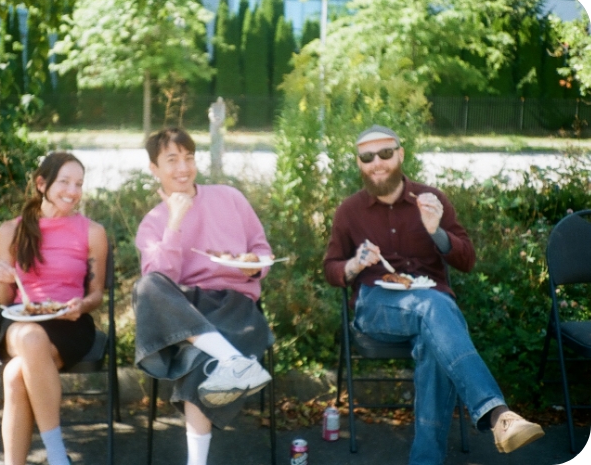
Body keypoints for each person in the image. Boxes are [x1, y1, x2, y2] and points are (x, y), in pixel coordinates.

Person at [323, 125, 544, 464]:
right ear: (359, 163)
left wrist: (435, 231)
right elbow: (331, 269)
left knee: (434, 335)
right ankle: (498, 414)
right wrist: (353, 264)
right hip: (375, 306)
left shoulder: (431, 200)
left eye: (385, 153)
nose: (377, 163)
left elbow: (466, 259)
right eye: (367, 157)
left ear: (401, 154)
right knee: (435, 308)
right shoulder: (349, 210)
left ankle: (426, 460)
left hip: (433, 308)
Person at [133, 127, 274, 465]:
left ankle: (228, 361)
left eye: (189, 158)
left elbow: (261, 248)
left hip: (234, 303)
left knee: (200, 362)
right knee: (146, 287)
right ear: (154, 168)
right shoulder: (153, 223)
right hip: (185, 308)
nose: (183, 168)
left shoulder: (229, 197)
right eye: (172, 160)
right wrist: (176, 219)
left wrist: (253, 265)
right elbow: (161, 281)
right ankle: (234, 360)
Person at [0, 152, 108, 465]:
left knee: (16, 374)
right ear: (42, 184)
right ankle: (57, 456)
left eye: (79, 184)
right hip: (21, 321)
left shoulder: (92, 232)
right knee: (31, 340)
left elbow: (96, 295)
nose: (73, 191)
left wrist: (81, 304)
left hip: (69, 321)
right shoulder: (11, 231)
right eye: (65, 182)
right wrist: (2, 279)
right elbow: (5, 300)